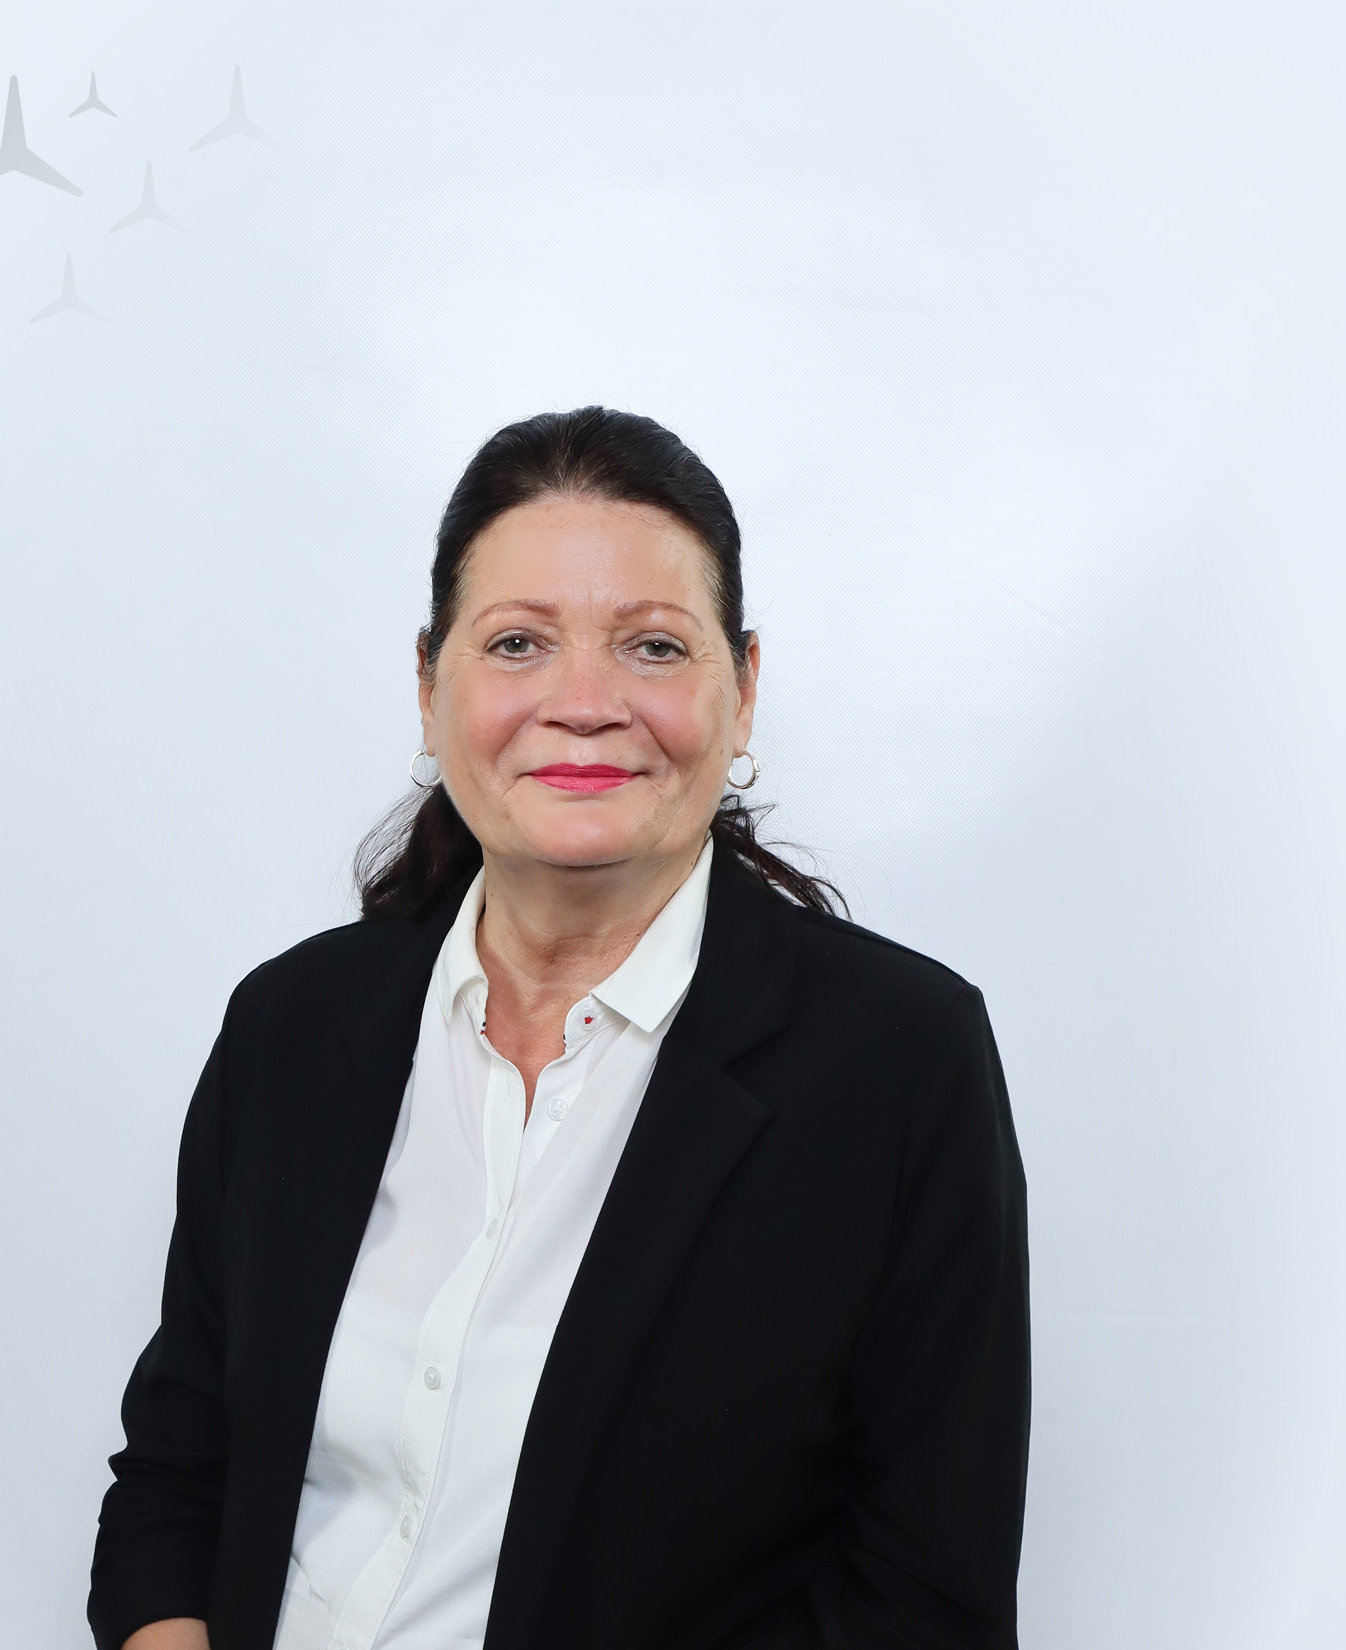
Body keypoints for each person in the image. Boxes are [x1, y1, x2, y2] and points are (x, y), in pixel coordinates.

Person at [87, 407, 1030, 1650]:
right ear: (429, 686)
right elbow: (176, 1471)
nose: (584, 704)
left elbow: (926, 1604)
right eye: (519, 643)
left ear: (744, 689)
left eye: (653, 647)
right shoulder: (291, 1027)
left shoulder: (899, 1064)